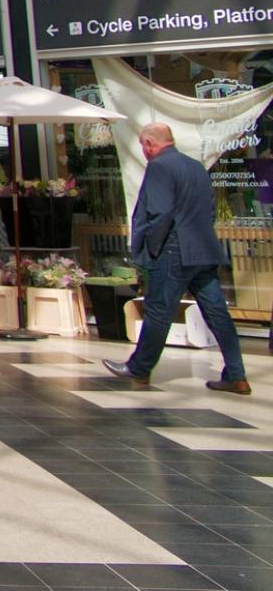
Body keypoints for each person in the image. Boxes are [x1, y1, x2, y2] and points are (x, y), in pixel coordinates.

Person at [106, 122, 251, 394]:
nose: (144, 152)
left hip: (174, 251)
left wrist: (153, 248)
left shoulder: (160, 166)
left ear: (150, 143)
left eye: (143, 147)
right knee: (217, 313)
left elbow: (160, 213)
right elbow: (209, 210)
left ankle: (139, 368)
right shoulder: (195, 166)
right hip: (203, 251)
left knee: (159, 310)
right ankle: (237, 374)